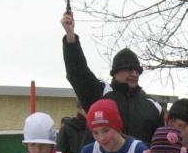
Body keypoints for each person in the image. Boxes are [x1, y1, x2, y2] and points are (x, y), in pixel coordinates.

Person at [61, 10, 163, 143]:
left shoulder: (153, 106)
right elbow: (77, 72)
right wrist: (70, 35)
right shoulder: (99, 94)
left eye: (137, 71)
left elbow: (160, 145)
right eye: (129, 69)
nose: (134, 74)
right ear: (115, 73)